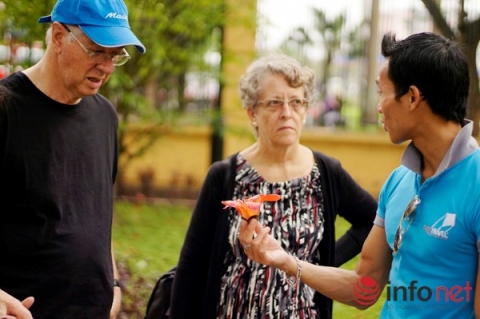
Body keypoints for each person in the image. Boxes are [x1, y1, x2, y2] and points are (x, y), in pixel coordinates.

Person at [239, 32, 480, 318]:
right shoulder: (398, 181)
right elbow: (363, 287)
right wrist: (288, 262)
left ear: (412, 97)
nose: (378, 107)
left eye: (382, 92)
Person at [170, 53, 377, 318]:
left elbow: (372, 222)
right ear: (252, 113)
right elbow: (191, 268)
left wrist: (321, 262)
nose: (287, 113)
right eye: (274, 103)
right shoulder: (225, 176)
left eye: (296, 102)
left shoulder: (326, 173)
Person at [0, 0, 145, 317]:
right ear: (57, 36)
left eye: (115, 54)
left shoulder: (105, 116)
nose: (107, 67)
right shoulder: (5, 109)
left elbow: (97, 216)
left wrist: (114, 286)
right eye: (96, 50)